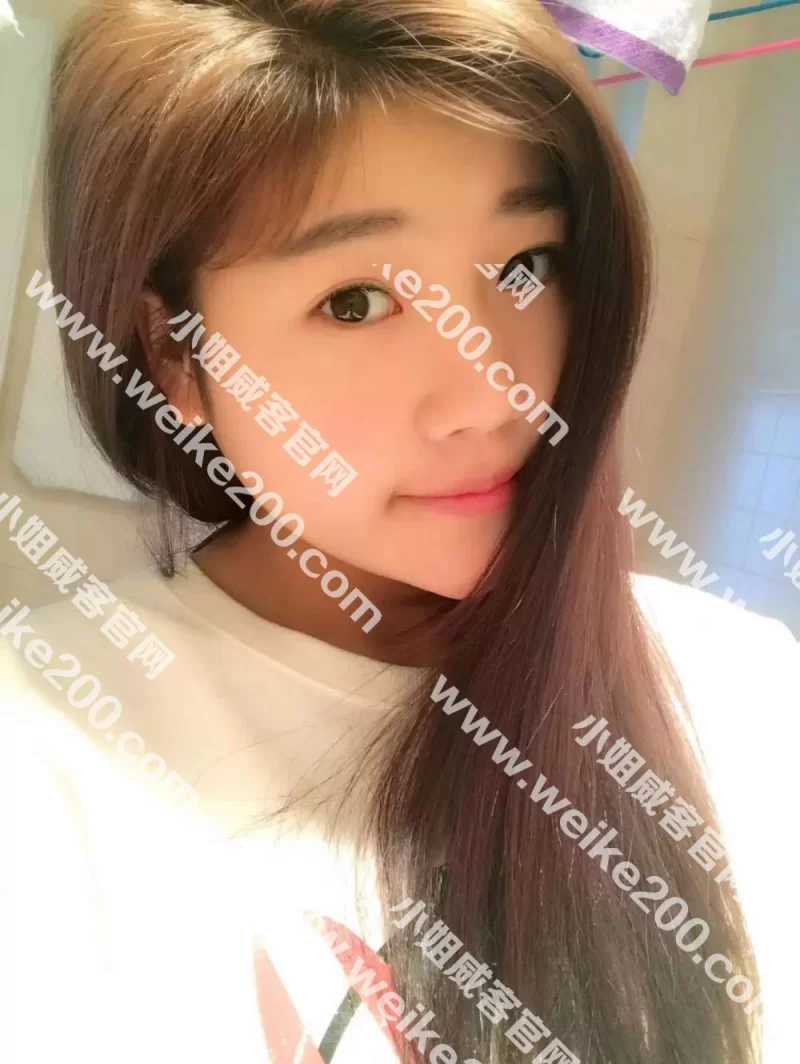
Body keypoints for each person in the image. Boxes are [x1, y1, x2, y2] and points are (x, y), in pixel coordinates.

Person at [0, 1, 797, 1062]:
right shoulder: (45, 753)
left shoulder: (743, 681)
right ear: (175, 356)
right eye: (356, 300)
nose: (493, 393)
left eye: (525, 266)